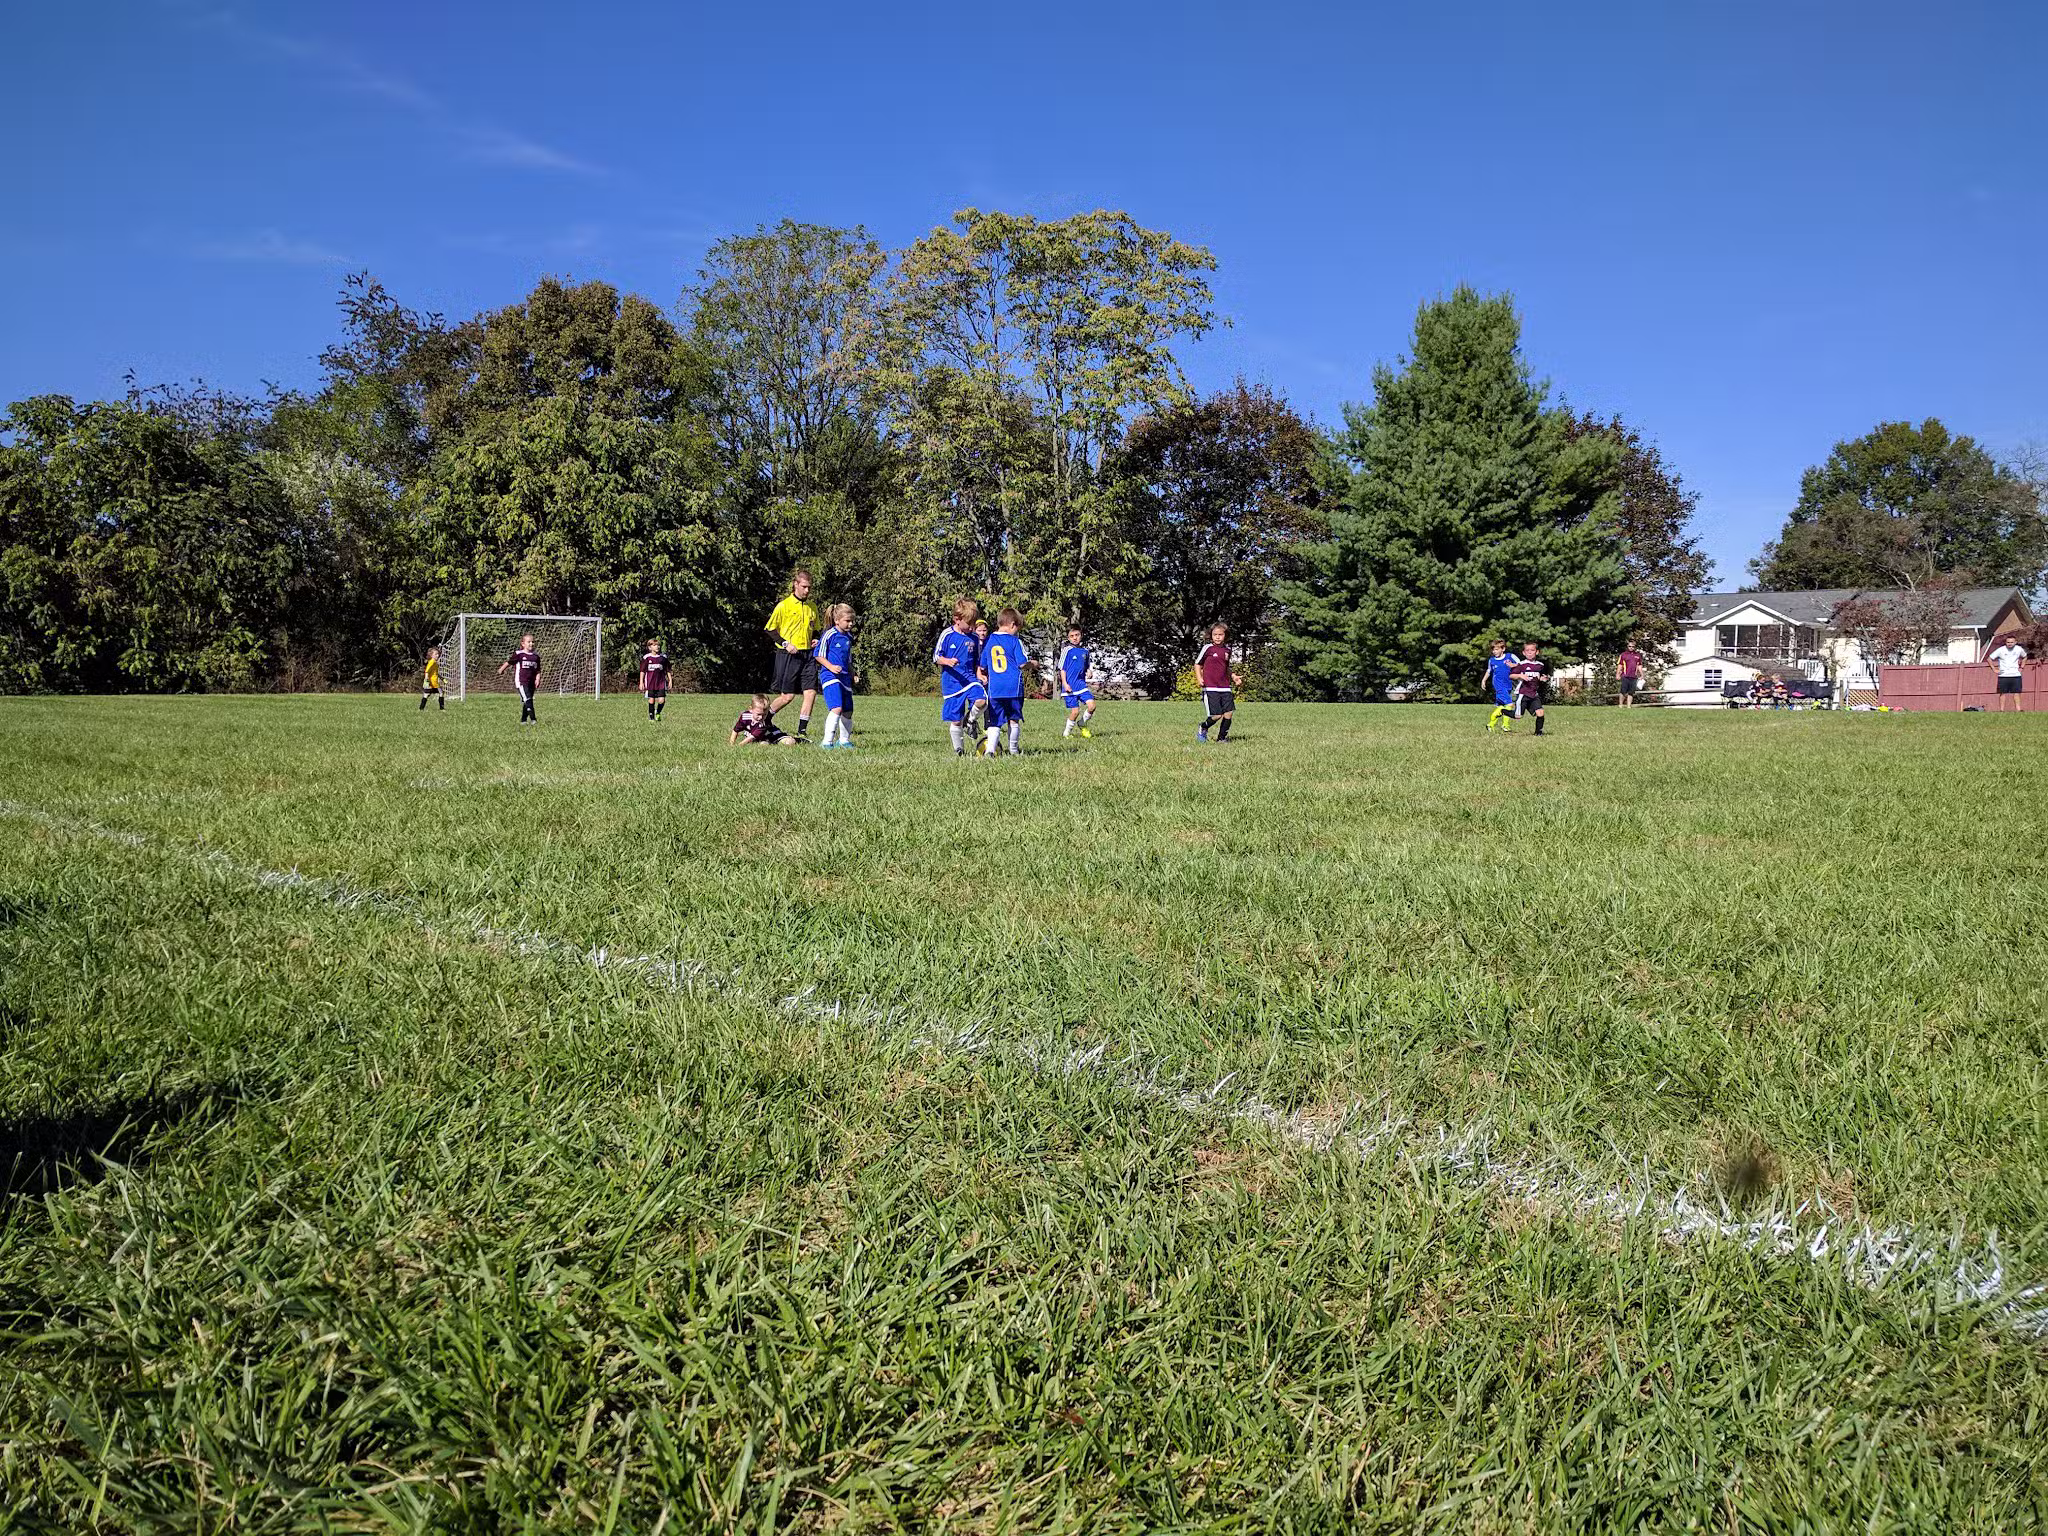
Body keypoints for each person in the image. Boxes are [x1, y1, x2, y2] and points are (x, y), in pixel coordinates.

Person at [764, 570, 821, 742]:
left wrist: (816, 638)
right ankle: (762, 721)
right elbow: (770, 629)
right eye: (804, 587)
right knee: (787, 696)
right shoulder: (784, 606)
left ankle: (802, 732)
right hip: (788, 654)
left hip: (807, 655)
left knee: (810, 692)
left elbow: (816, 628)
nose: (807, 591)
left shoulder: (812, 607)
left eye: (809, 588)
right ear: (795, 585)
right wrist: (786, 643)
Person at [932, 600, 986, 755]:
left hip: (969, 679)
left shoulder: (974, 638)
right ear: (957, 619)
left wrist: (980, 674)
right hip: (952, 683)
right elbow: (936, 657)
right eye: (969, 623)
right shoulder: (947, 635)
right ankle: (959, 751)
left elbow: (976, 661)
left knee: (982, 700)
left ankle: (970, 720)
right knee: (956, 720)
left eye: (974, 623)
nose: (972, 627)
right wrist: (948, 661)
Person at [980, 608, 1029, 756]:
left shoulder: (989, 641)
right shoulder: (1015, 641)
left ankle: (989, 751)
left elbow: (982, 665)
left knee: (994, 721)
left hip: (994, 689)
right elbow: (1022, 664)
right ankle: (1013, 750)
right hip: (1013, 688)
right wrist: (1032, 664)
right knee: (1013, 720)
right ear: (1013, 624)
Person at [814, 604, 858, 749]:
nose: (850, 624)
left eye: (852, 621)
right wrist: (831, 667)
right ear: (837, 620)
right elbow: (818, 655)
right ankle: (827, 742)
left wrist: (853, 672)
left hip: (844, 677)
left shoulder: (848, 637)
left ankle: (844, 741)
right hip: (830, 675)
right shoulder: (829, 634)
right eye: (847, 621)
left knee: (848, 710)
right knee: (837, 707)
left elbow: (848, 659)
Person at [1195, 623, 1242, 743]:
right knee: (1216, 715)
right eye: (1215, 634)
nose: (1217, 637)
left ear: (1225, 636)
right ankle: (1204, 727)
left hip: (1225, 687)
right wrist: (1199, 678)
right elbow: (1197, 664)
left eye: (1220, 635)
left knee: (1228, 713)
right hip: (1210, 687)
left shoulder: (1227, 650)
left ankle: (1221, 738)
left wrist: (1233, 676)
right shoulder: (1207, 648)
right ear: (1211, 636)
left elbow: (1226, 667)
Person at [1057, 626, 1097, 738]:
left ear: (1081, 635)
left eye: (1077, 635)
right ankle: (1066, 734)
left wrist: (1089, 671)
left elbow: (1086, 667)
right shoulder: (1067, 651)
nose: (1075, 638)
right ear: (1068, 638)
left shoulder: (1085, 652)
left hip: (1081, 685)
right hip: (1069, 686)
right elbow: (1062, 669)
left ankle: (1082, 723)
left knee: (1092, 706)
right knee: (1075, 712)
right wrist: (1065, 683)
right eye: (1072, 636)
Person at [495, 633, 541, 724]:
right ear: (523, 644)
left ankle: (523, 720)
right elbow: (509, 662)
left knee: (527, 699)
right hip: (521, 681)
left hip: (531, 682)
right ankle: (533, 719)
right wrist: (501, 669)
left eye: (533, 642)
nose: (531, 644)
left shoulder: (536, 656)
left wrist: (537, 679)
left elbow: (538, 670)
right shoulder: (519, 654)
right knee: (528, 699)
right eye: (529, 642)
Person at [1510, 641, 1550, 736]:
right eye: (1527, 650)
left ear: (1537, 652)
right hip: (1522, 693)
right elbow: (1511, 675)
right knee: (1518, 716)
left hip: (1534, 693)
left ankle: (1538, 732)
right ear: (1524, 653)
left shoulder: (1540, 665)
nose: (1530, 652)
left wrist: (1543, 679)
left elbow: (1539, 677)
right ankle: (1502, 711)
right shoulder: (1521, 664)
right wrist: (1520, 675)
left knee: (1540, 712)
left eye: (1532, 650)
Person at [729, 694, 800, 746]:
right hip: (758, 737)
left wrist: (739, 745)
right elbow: (736, 730)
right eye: (758, 714)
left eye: (764, 715)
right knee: (763, 745)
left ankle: (798, 740)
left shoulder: (763, 723)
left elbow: (750, 738)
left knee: (790, 742)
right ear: (750, 709)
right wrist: (731, 744)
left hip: (771, 734)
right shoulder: (745, 716)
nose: (761, 717)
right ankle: (765, 742)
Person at [1987, 634, 2028, 712]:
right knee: (2002, 693)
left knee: (2017, 692)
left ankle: (2018, 710)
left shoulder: (2019, 649)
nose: (2010, 644)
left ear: (2015, 642)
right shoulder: (2000, 650)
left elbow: (2025, 657)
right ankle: (2001, 710)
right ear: (2005, 642)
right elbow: (1989, 659)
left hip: (2015, 674)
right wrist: (1994, 669)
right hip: (2003, 675)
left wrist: (2022, 667)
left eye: (2012, 642)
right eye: (2008, 642)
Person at [1484, 639, 1516, 731]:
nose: (1494, 652)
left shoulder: (1510, 656)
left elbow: (1520, 664)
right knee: (1510, 704)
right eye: (1493, 650)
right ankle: (1505, 725)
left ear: (1503, 649)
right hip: (1499, 687)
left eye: (1496, 649)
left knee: (1502, 707)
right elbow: (1489, 671)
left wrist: (1514, 666)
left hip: (1508, 685)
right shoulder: (1492, 660)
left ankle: (1490, 725)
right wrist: (1484, 680)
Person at [639, 638, 673, 722]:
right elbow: (642, 671)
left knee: (662, 700)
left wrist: (670, 680)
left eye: (658, 645)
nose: (657, 647)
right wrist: (641, 682)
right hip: (650, 682)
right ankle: (651, 718)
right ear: (650, 647)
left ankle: (657, 712)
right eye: (654, 645)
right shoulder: (646, 658)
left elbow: (668, 670)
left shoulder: (663, 658)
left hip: (661, 682)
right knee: (651, 700)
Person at [1615, 643, 1644, 707]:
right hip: (1625, 676)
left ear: (1635, 647)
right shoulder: (1623, 655)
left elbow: (1639, 665)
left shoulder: (1638, 655)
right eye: (1629, 646)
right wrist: (1617, 674)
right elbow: (1620, 665)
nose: (1631, 647)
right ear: (1627, 647)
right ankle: (1620, 705)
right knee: (1623, 691)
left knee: (1631, 692)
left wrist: (1642, 674)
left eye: (1632, 646)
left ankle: (1629, 706)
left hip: (1634, 676)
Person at [419, 645, 445, 712]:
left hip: (434, 683)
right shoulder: (432, 662)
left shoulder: (435, 663)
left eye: (438, 654)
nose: (437, 655)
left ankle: (421, 709)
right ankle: (441, 709)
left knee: (429, 694)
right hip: (431, 683)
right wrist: (426, 681)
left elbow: (435, 673)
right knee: (438, 693)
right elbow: (427, 671)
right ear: (431, 655)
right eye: (436, 654)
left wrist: (442, 678)